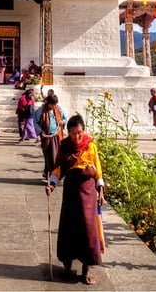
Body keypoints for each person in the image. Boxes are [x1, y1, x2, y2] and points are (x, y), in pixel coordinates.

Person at [46, 115, 105, 285]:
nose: (76, 137)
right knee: (69, 227)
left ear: (83, 131)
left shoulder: (90, 145)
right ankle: (67, 265)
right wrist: (52, 183)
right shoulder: (65, 146)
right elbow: (59, 169)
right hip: (71, 192)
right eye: (72, 133)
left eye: (79, 133)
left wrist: (100, 187)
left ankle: (87, 269)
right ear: (68, 132)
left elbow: (98, 167)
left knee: (88, 228)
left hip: (88, 192)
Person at [37, 95, 66, 179]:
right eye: (52, 105)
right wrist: (40, 131)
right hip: (46, 137)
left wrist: (62, 122)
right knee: (48, 155)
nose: (53, 106)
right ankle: (50, 174)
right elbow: (35, 122)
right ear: (48, 103)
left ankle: (51, 174)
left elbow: (65, 118)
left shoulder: (59, 109)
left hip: (56, 136)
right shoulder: (41, 110)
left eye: (55, 104)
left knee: (54, 156)